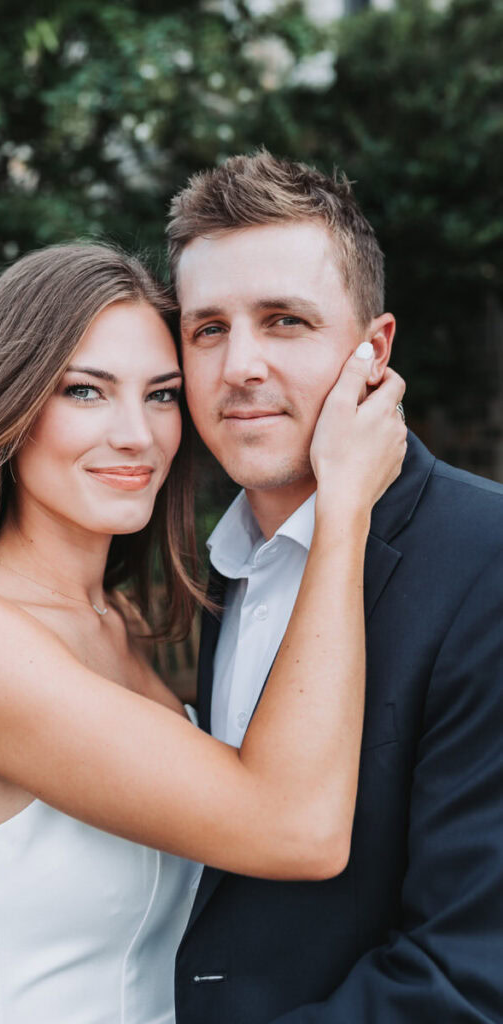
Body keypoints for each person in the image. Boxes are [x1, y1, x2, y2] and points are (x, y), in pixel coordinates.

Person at [0, 241, 405, 1023]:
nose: (136, 435)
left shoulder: (117, 623)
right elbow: (295, 830)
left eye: (160, 395)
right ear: (5, 407)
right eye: (85, 391)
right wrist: (344, 507)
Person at [167, 150, 503, 1024]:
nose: (238, 365)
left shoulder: (487, 561)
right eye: (208, 328)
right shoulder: (227, 557)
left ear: (372, 348)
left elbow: (469, 979)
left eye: (282, 320)